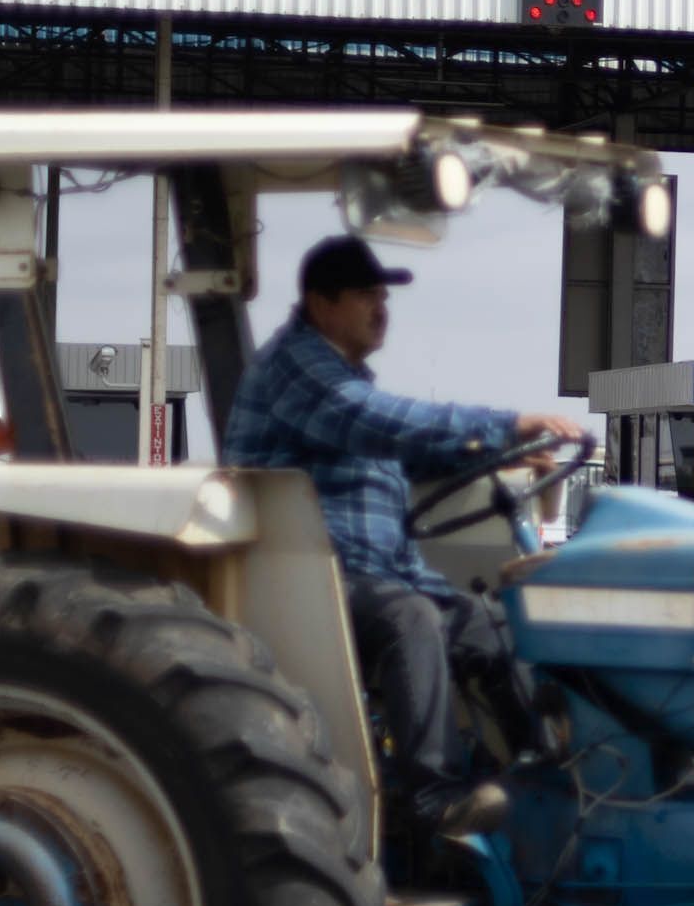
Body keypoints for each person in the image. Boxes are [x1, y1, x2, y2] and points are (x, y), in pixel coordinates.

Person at [226, 234, 584, 837]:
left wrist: (514, 456)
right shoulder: (299, 372)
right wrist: (504, 424)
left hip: (379, 573)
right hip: (312, 580)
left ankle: (543, 772)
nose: (381, 308)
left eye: (382, 296)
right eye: (367, 295)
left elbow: (403, 454)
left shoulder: (347, 384)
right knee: (409, 616)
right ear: (321, 302)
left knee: (491, 622)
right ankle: (433, 797)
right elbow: (380, 423)